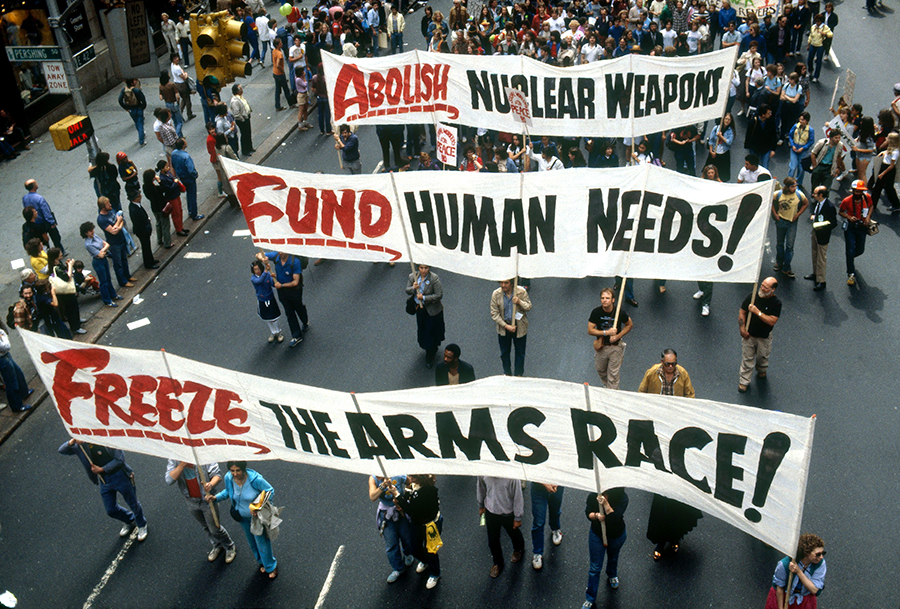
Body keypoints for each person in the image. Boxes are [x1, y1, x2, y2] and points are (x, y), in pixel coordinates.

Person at [59, 439, 148, 541]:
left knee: (132, 502)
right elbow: (62, 450)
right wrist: (72, 441)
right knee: (111, 510)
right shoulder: (81, 447)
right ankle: (129, 519)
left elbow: (120, 459)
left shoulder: (106, 439)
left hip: (120, 476)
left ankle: (142, 524)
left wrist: (101, 469)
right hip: (105, 480)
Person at [207, 461, 278, 579]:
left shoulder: (255, 480)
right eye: (232, 470)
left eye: (237, 470)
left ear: (244, 469)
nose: (235, 474)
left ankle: (271, 566)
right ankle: (262, 562)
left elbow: (269, 491)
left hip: (256, 518)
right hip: (242, 517)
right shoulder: (229, 478)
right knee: (252, 542)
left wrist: (256, 506)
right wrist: (215, 498)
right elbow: (227, 492)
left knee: (261, 542)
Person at [165, 460, 236, 563]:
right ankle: (217, 545)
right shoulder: (174, 459)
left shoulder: (203, 457)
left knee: (214, 528)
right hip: (191, 500)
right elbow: (169, 480)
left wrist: (210, 485)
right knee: (205, 526)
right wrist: (182, 464)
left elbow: (217, 475)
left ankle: (229, 546)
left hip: (207, 500)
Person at [580, 487, 628, 608]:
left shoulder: (622, 497)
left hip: (616, 535)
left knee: (613, 557)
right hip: (597, 535)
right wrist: (596, 515)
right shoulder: (593, 495)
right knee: (595, 567)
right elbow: (588, 513)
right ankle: (590, 597)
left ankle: (612, 574)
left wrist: (605, 504)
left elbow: (614, 518)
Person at [394, 474, 442, 589]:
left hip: (431, 525)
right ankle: (425, 561)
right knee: (414, 547)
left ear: (422, 478)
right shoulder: (414, 485)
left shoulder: (428, 491)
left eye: (414, 477)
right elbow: (409, 500)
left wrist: (397, 495)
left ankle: (435, 573)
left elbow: (412, 510)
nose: (411, 478)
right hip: (418, 523)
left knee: (430, 550)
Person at [368, 475, 415, 583]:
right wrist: (383, 485)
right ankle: (397, 568)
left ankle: (408, 554)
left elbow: (409, 481)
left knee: (406, 537)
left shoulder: (398, 474)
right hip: (386, 514)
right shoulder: (373, 478)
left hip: (400, 510)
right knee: (391, 543)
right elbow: (372, 496)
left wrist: (406, 497)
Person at [738, 277, 781, 392]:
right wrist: (742, 328)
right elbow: (742, 312)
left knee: (762, 357)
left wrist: (757, 312)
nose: (762, 288)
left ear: (773, 290)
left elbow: (772, 321)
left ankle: (762, 368)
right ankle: (744, 381)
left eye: (765, 287)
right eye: (762, 285)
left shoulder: (776, 303)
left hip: (764, 338)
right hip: (749, 335)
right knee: (747, 359)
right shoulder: (752, 297)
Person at [256, 251, 309, 347]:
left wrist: (282, 285)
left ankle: (305, 321)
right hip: (282, 291)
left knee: (298, 307)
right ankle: (296, 335)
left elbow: (295, 282)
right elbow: (259, 254)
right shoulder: (276, 256)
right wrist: (263, 259)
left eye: (282, 251)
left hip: (294, 291)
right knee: (289, 312)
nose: (280, 253)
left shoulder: (295, 262)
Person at [476, 476, 525, 579]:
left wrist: (517, 517)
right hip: (491, 512)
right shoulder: (483, 472)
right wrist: (481, 505)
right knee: (492, 540)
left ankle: (518, 549)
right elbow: (481, 488)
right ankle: (498, 563)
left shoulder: (512, 476)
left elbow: (518, 497)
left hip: (507, 513)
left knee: (514, 533)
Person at [763, 533, 827, 608]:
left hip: (804, 600)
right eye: (818, 554)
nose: (821, 557)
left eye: (823, 553)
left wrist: (798, 572)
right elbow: (779, 588)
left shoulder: (820, 564)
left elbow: (814, 590)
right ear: (806, 553)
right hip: (784, 596)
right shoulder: (784, 564)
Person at [587, 288, 633, 390]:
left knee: (613, 375)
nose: (604, 300)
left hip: (615, 347)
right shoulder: (596, 312)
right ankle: (608, 386)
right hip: (602, 346)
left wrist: (618, 336)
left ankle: (612, 393)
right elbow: (590, 330)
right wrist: (606, 333)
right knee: (600, 369)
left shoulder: (619, 312)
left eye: (607, 298)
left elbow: (629, 324)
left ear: (613, 300)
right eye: (602, 298)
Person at [489, 279, 531, 376]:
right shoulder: (496, 294)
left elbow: (528, 307)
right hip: (504, 328)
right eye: (501, 283)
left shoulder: (521, 292)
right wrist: (506, 326)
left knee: (520, 353)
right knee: (504, 353)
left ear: (512, 283)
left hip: (519, 327)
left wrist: (519, 302)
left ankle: (518, 374)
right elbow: (494, 313)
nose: (503, 285)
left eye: (506, 283)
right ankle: (507, 373)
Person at [406, 264, 445, 368]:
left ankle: (430, 355)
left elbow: (439, 295)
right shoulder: (412, 277)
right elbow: (407, 290)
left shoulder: (434, 279)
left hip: (432, 311)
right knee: (423, 330)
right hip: (420, 310)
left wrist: (424, 298)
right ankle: (428, 346)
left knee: (431, 332)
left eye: (426, 268)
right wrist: (413, 288)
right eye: (421, 268)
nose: (423, 270)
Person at [771, 177, 809, 279]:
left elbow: (806, 203)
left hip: (792, 222)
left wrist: (798, 214)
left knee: (789, 246)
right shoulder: (778, 194)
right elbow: (770, 202)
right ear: (787, 187)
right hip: (781, 221)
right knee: (779, 243)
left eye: (795, 186)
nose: (795, 188)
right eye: (792, 186)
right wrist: (775, 215)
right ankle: (779, 262)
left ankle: (787, 267)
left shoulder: (799, 194)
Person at [839, 180, 873, 287]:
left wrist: (868, 217)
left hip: (862, 227)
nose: (858, 193)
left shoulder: (867, 198)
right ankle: (850, 273)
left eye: (860, 191)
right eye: (857, 191)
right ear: (853, 191)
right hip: (851, 227)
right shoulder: (847, 200)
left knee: (860, 249)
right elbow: (841, 211)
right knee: (850, 250)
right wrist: (849, 217)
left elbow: (871, 206)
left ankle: (850, 258)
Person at [81, 222, 121, 307]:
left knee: (108, 279)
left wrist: (103, 250)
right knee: (104, 282)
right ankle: (107, 300)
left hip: (103, 260)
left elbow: (107, 244)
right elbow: (100, 254)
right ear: (86, 233)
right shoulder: (88, 244)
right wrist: (104, 250)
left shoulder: (95, 236)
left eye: (92, 230)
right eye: (90, 231)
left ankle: (113, 295)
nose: (92, 232)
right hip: (98, 262)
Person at [97, 197, 135, 289]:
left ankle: (128, 276)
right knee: (118, 264)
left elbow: (121, 222)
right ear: (103, 207)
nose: (110, 205)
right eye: (107, 204)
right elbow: (113, 231)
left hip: (121, 239)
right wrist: (118, 222)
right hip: (114, 243)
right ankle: (123, 281)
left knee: (124, 259)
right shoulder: (101, 219)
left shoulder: (111, 211)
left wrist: (118, 226)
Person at [805, 185, 836, 291]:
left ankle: (821, 281)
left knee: (821, 258)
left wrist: (822, 226)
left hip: (822, 235)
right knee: (814, 254)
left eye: (815, 193)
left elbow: (833, 223)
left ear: (821, 195)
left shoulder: (829, 207)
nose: (813, 195)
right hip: (815, 232)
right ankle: (815, 274)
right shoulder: (818, 204)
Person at [47, 248, 84, 335]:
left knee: (74, 306)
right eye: (59, 253)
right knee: (71, 309)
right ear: (56, 256)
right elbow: (67, 277)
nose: (61, 254)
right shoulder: (55, 268)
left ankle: (77, 321)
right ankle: (75, 327)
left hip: (67, 290)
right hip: (64, 292)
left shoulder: (58, 263)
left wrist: (67, 265)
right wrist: (71, 266)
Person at [22, 179, 64, 253]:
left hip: (36, 222)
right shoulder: (39, 198)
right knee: (55, 237)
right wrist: (52, 222)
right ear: (34, 186)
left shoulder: (25, 198)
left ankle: (47, 252)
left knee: (43, 241)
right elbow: (46, 212)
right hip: (44, 221)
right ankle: (60, 251)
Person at [0, 319, 33, 412]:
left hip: (4, 355)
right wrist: (4, 337)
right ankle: (17, 406)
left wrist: (3, 335)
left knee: (18, 373)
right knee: (11, 382)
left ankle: (24, 392)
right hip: (2, 357)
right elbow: (6, 346)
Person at [530, 481, 564, 571]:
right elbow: (531, 468)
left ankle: (555, 528)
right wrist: (545, 484)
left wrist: (557, 483)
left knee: (555, 510)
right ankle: (537, 552)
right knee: (538, 521)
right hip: (538, 487)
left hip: (557, 484)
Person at [250, 258, 283, 343]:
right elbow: (259, 281)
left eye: (258, 268)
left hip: (270, 298)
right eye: (255, 269)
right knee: (268, 319)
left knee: (274, 318)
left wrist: (275, 280)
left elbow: (272, 284)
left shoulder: (267, 274)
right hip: (262, 300)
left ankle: (279, 332)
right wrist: (266, 271)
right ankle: (273, 332)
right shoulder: (253, 278)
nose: (257, 271)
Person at [171, 138, 204, 221]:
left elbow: (173, 164)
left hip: (181, 176)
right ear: (183, 145)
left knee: (189, 193)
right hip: (189, 177)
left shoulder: (174, 153)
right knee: (192, 194)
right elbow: (191, 169)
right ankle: (194, 213)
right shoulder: (186, 156)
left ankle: (190, 210)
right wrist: (195, 174)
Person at [142, 169, 172, 250]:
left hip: (154, 207)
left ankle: (159, 239)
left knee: (158, 223)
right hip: (161, 206)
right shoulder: (156, 188)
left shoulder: (145, 186)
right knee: (165, 224)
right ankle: (167, 242)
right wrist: (159, 181)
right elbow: (165, 188)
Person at [128, 191, 159, 270]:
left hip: (144, 230)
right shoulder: (134, 209)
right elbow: (138, 223)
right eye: (138, 196)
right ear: (135, 199)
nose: (140, 196)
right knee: (145, 247)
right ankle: (148, 263)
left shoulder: (135, 205)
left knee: (147, 246)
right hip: (142, 232)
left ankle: (151, 260)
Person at [870, 132, 899, 212]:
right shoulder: (890, 148)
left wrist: (882, 173)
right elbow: (887, 152)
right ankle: (872, 204)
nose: (886, 138)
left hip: (888, 170)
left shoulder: (895, 152)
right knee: (879, 187)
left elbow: (892, 165)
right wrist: (883, 152)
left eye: (888, 138)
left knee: (888, 187)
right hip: (884, 167)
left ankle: (896, 204)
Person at [787, 112, 815, 188]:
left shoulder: (810, 130)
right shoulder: (795, 126)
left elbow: (811, 141)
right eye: (800, 119)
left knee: (801, 168)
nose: (801, 121)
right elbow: (790, 135)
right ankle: (788, 182)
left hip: (803, 151)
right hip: (794, 149)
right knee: (792, 167)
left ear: (807, 121)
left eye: (803, 120)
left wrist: (803, 148)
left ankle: (798, 183)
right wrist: (792, 145)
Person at [705, 113, 734, 181]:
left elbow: (729, 142)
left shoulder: (730, 131)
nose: (727, 121)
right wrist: (711, 151)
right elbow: (711, 140)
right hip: (715, 152)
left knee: (722, 172)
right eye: (726, 118)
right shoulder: (716, 128)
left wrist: (721, 137)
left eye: (729, 119)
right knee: (710, 170)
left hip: (724, 153)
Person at [118, 78, 147, 146]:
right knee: (140, 124)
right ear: (132, 82)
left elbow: (120, 100)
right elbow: (143, 99)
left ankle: (141, 134)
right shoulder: (136, 90)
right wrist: (142, 107)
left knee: (136, 122)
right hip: (138, 108)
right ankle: (141, 140)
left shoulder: (124, 90)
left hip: (131, 109)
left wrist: (125, 107)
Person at [229, 84, 254, 157]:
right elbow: (236, 114)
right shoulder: (235, 101)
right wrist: (243, 119)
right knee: (244, 135)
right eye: (240, 88)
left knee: (248, 133)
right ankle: (245, 150)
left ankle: (250, 147)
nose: (242, 89)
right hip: (242, 120)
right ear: (238, 91)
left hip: (246, 117)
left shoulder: (240, 97)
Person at [805, 13, 831, 83]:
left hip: (820, 46)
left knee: (818, 61)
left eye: (818, 21)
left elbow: (830, 34)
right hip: (813, 45)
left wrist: (825, 34)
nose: (817, 23)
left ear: (821, 21)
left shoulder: (825, 27)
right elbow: (811, 35)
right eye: (816, 21)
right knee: (809, 59)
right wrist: (808, 44)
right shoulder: (813, 27)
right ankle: (810, 71)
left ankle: (816, 76)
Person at [271, 38, 294, 111]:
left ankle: (277, 105)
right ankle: (291, 103)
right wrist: (282, 70)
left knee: (277, 90)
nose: (282, 44)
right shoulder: (280, 54)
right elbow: (278, 65)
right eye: (280, 43)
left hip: (275, 73)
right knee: (286, 89)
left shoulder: (274, 51)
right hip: (280, 74)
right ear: (278, 45)